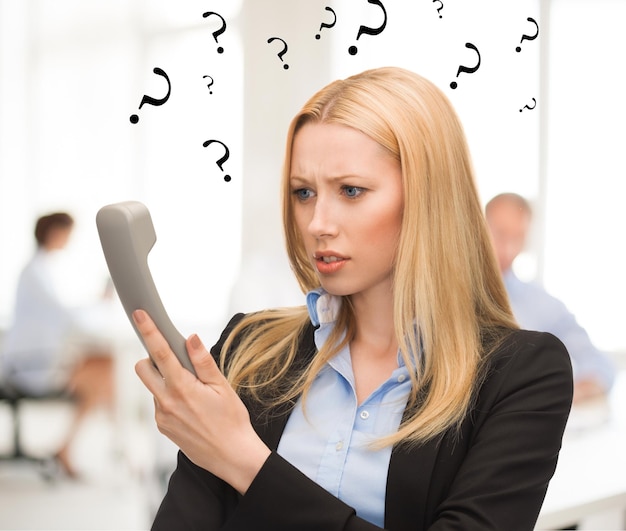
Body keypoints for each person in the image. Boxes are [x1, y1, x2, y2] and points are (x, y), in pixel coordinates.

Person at [134, 67, 573, 530]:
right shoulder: (251, 347)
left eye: (351, 191)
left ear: (428, 197)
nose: (317, 222)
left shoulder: (521, 374)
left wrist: (245, 461)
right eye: (304, 192)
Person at [1, 212, 115, 478]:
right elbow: (66, 315)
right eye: (67, 233)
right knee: (104, 369)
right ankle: (73, 447)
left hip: (38, 358)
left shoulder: (40, 269)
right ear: (54, 232)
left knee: (104, 366)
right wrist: (99, 301)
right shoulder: (35, 273)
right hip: (29, 364)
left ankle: (70, 446)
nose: (69, 240)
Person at [485, 192, 615, 404]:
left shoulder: (542, 306)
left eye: (518, 238)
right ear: (478, 229)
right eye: (500, 234)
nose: (508, 249)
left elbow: (600, 365)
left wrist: (562, 394)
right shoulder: (449, 296)